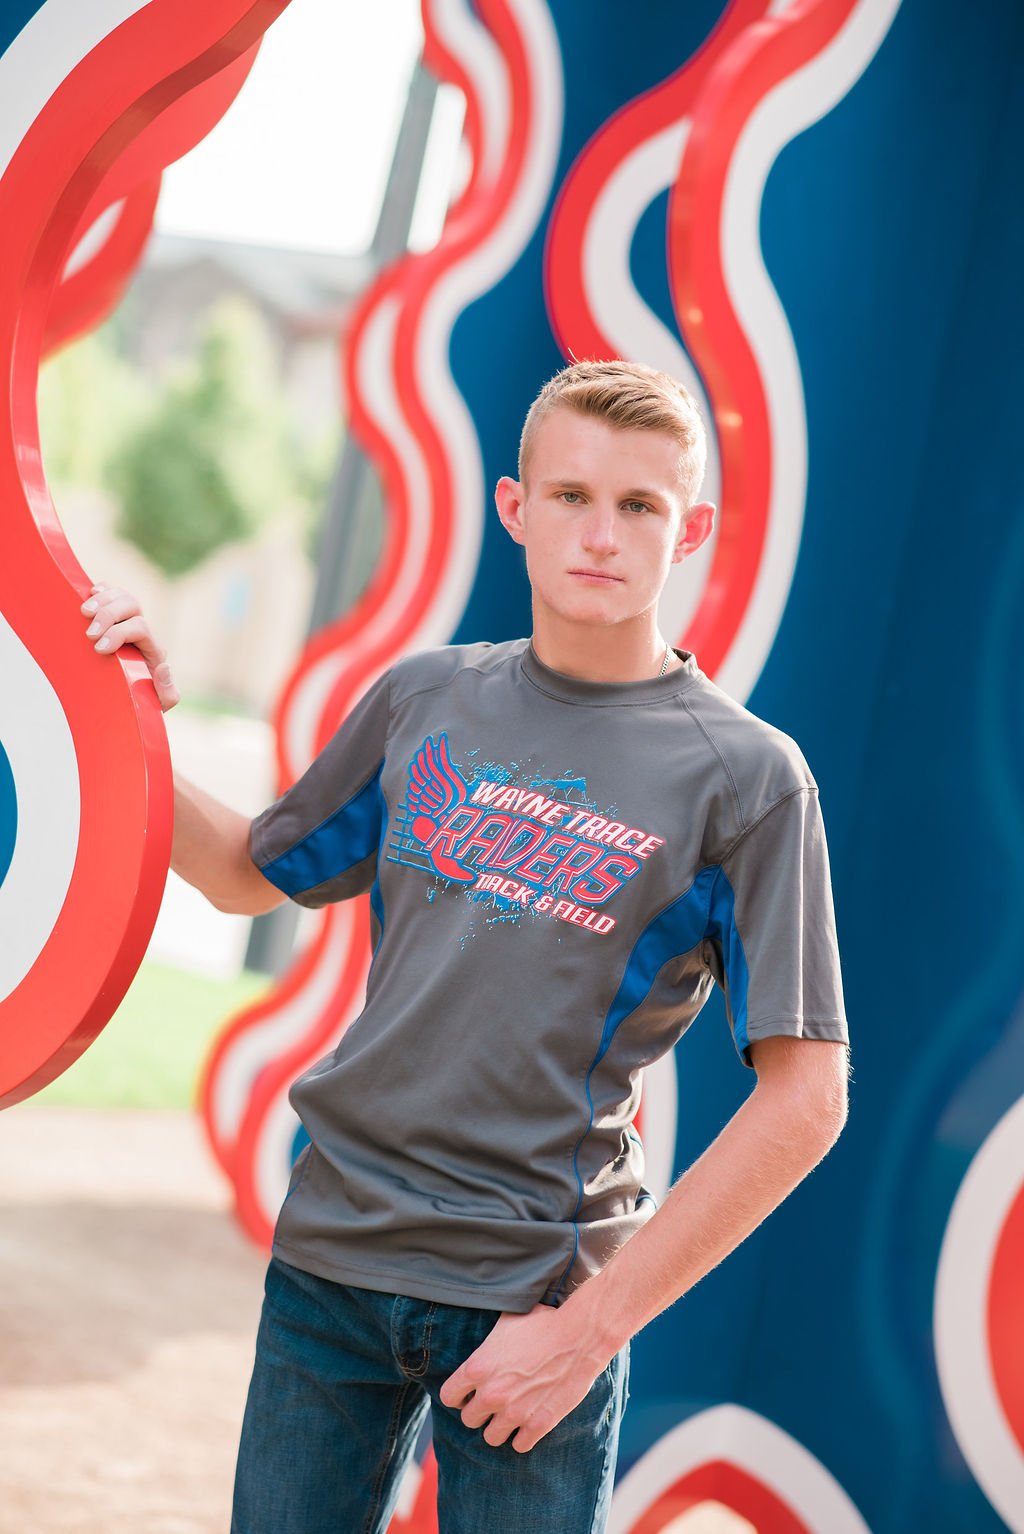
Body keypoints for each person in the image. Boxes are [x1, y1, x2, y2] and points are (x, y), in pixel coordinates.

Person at [82, 360, 850, 1534]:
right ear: (514, 508)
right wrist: (115, 715)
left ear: (688, 529)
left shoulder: (746, 779)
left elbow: (807, 1102)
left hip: (533, 1304)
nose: (601, 533)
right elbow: (247, 870)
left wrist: (589, 1332)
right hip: (330, 1266)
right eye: (570, 496)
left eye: (639, 506)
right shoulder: (422, 701)